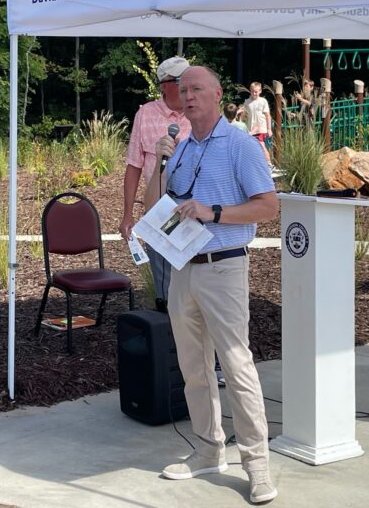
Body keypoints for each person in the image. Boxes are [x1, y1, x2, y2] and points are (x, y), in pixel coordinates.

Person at [145, 66, 279, 503]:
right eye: (182, 90)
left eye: (197, 89)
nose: (188, 96)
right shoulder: (180, 148)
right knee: (193, 368)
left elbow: (268, 207)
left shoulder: (240, 144)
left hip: (224, 267)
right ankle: (207, 450)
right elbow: (155, 207)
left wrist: (214, 212)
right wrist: (160, 161)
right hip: (184, 268)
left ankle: (256, 464)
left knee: (236, 365)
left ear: (218, 95)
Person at [119, 56, 192, 311]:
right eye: (183, 81)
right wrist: (127, 214)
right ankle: (168, 336)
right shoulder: (146, 114)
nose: (189, 87)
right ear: (165, 85)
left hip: (196, 207)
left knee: (195, 275)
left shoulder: (199, 113)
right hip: (160, 209)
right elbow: (133, 166)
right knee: (165, 276)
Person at [237, 81, 271, 165]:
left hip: (261, 128)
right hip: (250, 129)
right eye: (252, 91)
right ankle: (258, 165)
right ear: (250, 91)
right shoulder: (247, 102)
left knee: (262, 145)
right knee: (253, 148)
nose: (254, 93)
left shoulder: (263, 101)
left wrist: (269, 129)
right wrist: (240, 123)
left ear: (260, 91)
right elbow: (243, 114)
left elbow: (268, 115)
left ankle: (269, 163)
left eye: (256, 91)